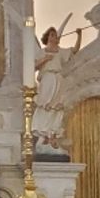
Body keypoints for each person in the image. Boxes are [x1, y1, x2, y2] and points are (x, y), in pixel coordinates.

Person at [33, 23, 82, 160]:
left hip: (58, 79)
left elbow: (75, 50)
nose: (55, 37)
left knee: (56, 107)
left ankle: (52, 136)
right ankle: (44, 136)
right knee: (46, 105)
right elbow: (34, 66)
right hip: (47, 79)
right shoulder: (42, 51)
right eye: (52, 34)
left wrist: (79, 35)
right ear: (48, 37)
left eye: (56, 35)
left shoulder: (60, 51)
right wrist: (45, 59)